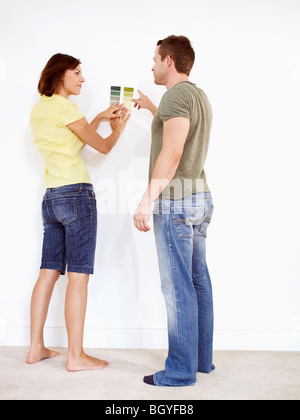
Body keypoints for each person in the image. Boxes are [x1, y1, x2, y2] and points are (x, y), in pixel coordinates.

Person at [26, 53, 130, 372]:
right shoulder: (66, 108)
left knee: (47, 272)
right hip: (77, 195)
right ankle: (76, 356)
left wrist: (98, 115)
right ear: (60, 75)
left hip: (52, 197)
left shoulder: (40, 110)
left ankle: (35, 348)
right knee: (79, 276)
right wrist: (118, 127)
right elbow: (101, 146)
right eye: (77, 73)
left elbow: (71, 140)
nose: (82, 79)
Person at [133, 36, 214, 387]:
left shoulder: (176, 95)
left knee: (177, 287)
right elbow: (178, 129)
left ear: (168, 60)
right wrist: (153, 108)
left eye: (154, 59)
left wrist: (146, 198)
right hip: (199, 197)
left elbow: (174, 150)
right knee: (197, 282)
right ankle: (200, 361)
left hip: (176, 202)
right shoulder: (196, 95)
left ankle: (180, 371)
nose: (151, 65)